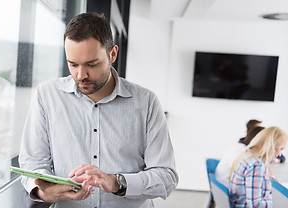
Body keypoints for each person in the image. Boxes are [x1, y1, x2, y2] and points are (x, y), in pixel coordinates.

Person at [18, 12, 178, 208]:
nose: (81, 74)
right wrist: (43, 191)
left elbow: (166, 177)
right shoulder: (46, 95)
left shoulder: (146, 102)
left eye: (92, 64)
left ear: (112, 54)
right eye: (73, 64)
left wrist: (116, 182)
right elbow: (32, 164)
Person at [229, 126, 288, 207]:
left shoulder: (249, 155)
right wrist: (279, 202)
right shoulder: (257, 165)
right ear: (271, 146)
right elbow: (255, 205)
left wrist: (268, 182)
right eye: (281, 148)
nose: (280, 154)